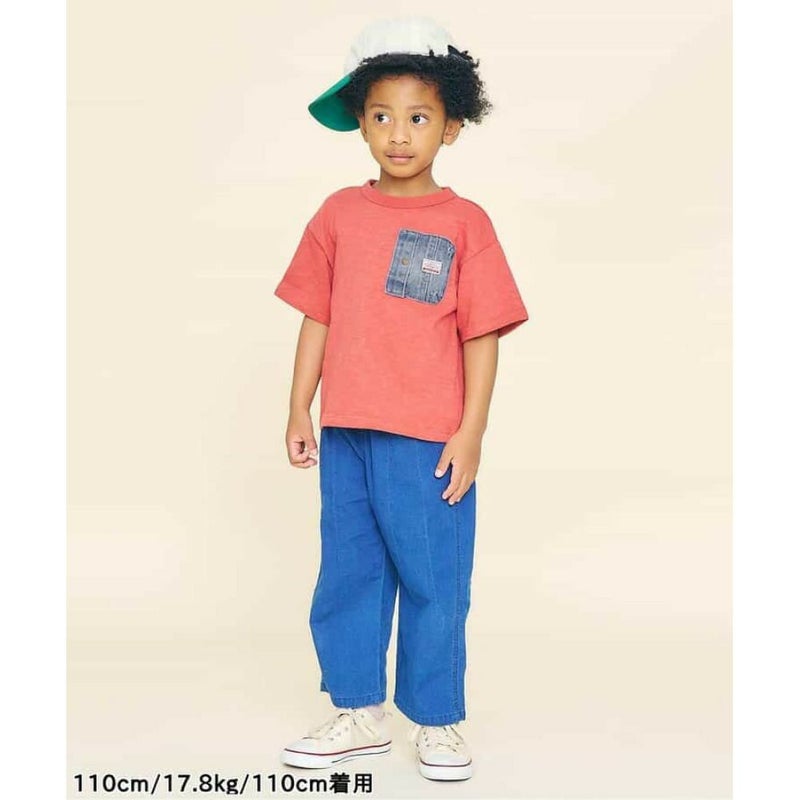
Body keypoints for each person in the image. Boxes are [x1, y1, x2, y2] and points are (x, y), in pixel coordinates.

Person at [273, 16, 529, 782]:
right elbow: (318, 316)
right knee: (348, 572)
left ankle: (439, 720)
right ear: (361, 122)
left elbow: (481, 335)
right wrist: (299, 407)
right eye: (382, 116)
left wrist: (471, 431)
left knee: (432, 578)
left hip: (427, 439)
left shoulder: (464, 225)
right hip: (347, 432)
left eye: (419, 118)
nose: (398, 134)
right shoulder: (338, 215)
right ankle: (358, 711)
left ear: (451, 127)